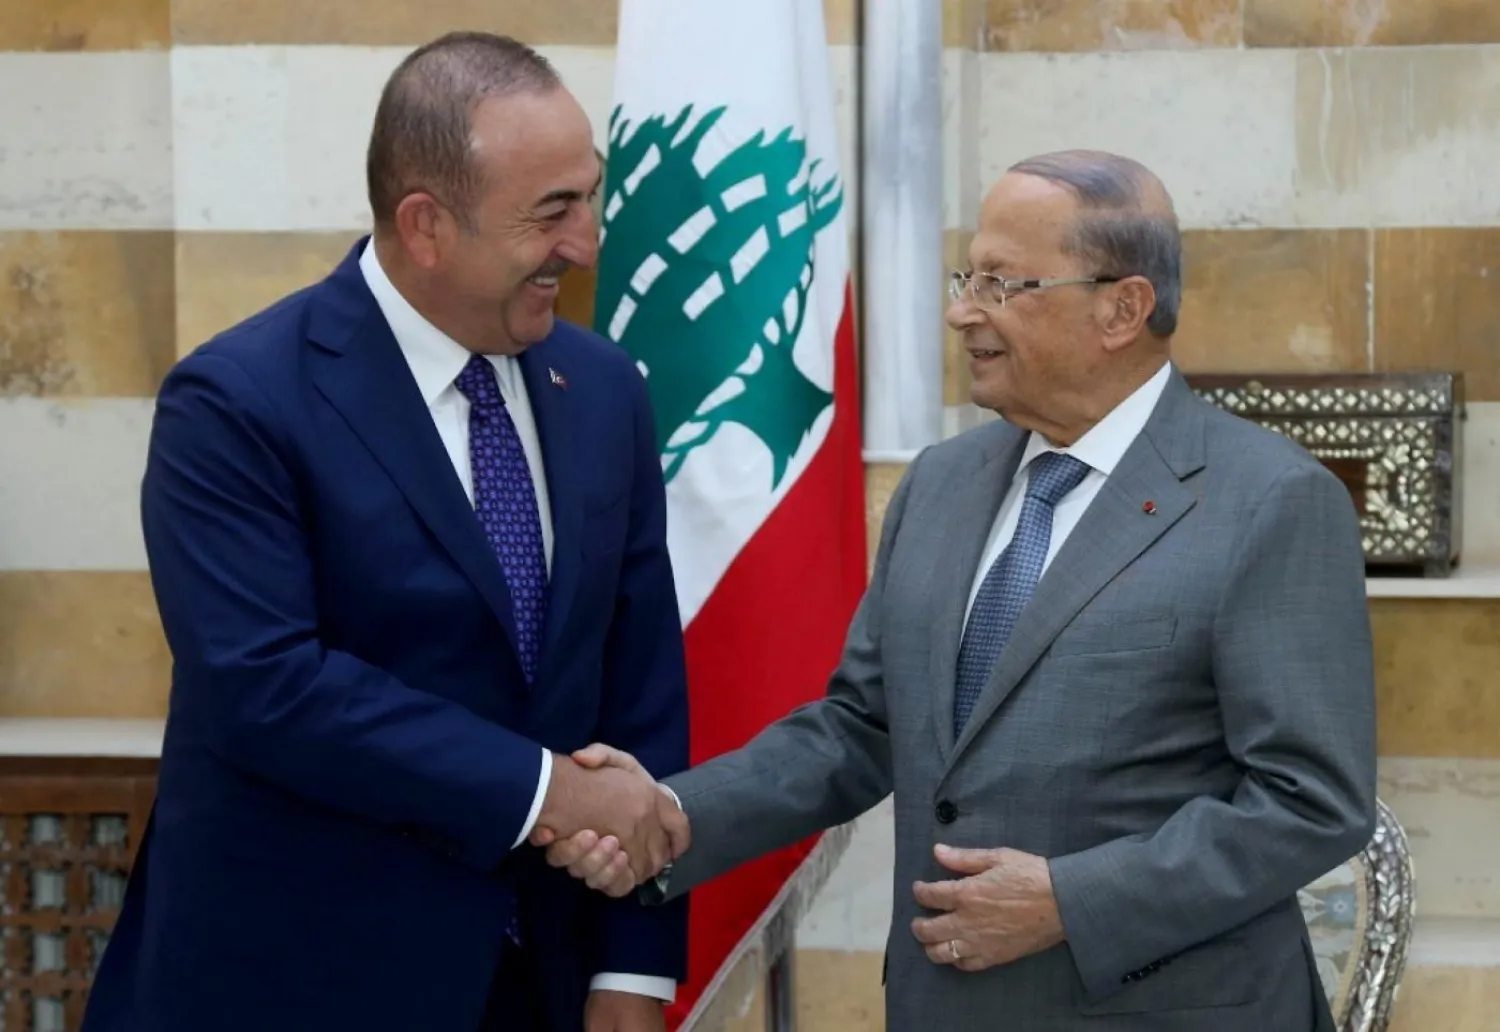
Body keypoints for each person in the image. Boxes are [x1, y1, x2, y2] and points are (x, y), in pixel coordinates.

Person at [537, 150, 1377, 1031]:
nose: (961, 310)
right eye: (965, 278)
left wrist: (1071, 901)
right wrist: (672, 812)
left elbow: (1311, 800)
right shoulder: (941, 483)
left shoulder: (1270, 502)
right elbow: (861, 728)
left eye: (1001, 284)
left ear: (1122, 309)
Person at [82, 32, 689, 1032]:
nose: (586, 242)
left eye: (590, 196)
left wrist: (633, 966)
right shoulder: (237, 403)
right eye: (552, 212)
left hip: (542, 985)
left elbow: (641, 682)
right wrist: (546, 793)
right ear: (427, 225)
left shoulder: (604, 391)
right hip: (301, 986)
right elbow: (267, 687)